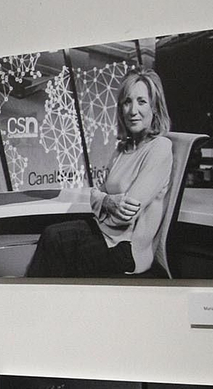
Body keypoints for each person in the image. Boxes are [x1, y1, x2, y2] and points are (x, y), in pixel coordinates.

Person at [25, 68, 176, 277]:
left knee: (59, 242)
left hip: (127, 249)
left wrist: (102, 202)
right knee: (51, 234)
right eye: (127, 102)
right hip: (103, 233)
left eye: (141, 101)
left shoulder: (160, 147)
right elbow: (95, 195)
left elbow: (124, 215)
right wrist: (106, 202)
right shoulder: (122, 150)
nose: (133, 110)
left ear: (155, 108)